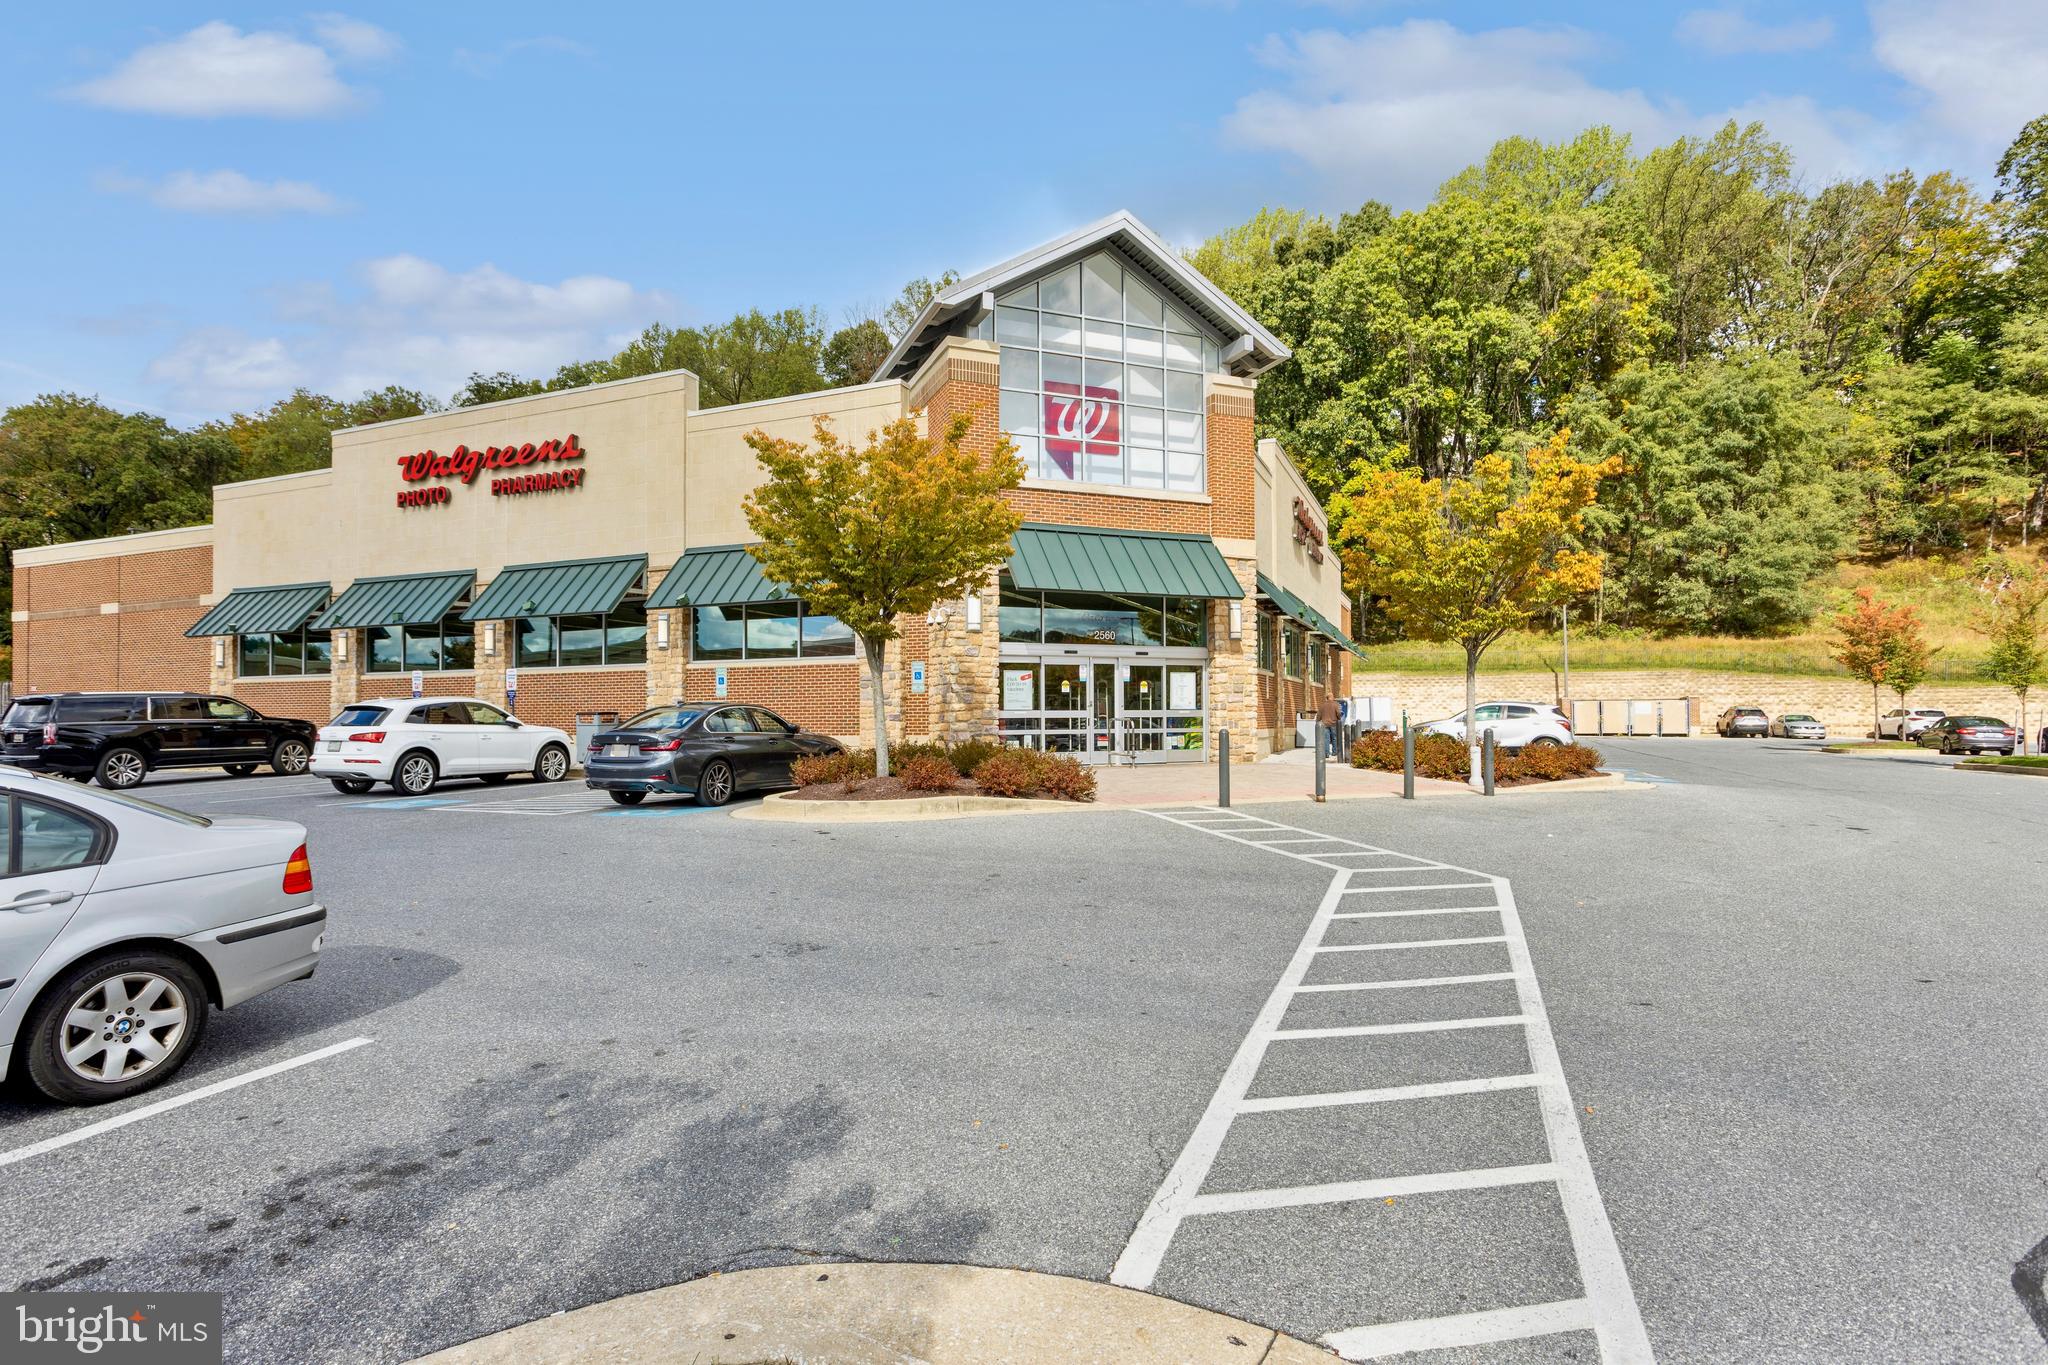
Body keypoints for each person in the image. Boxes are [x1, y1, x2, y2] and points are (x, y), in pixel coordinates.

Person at [1319, 693, 1342, 758]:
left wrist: (1318, 722)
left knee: (1326, 739)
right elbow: (1338, 713)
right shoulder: (1336, 704)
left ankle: (1326, 753)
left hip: (1325, 724)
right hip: (1333, 723)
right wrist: (1339, 718)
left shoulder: (1322, 705)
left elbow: (1319, 715)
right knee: (1334, 738)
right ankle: (1334, 752)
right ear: (1332, 697)